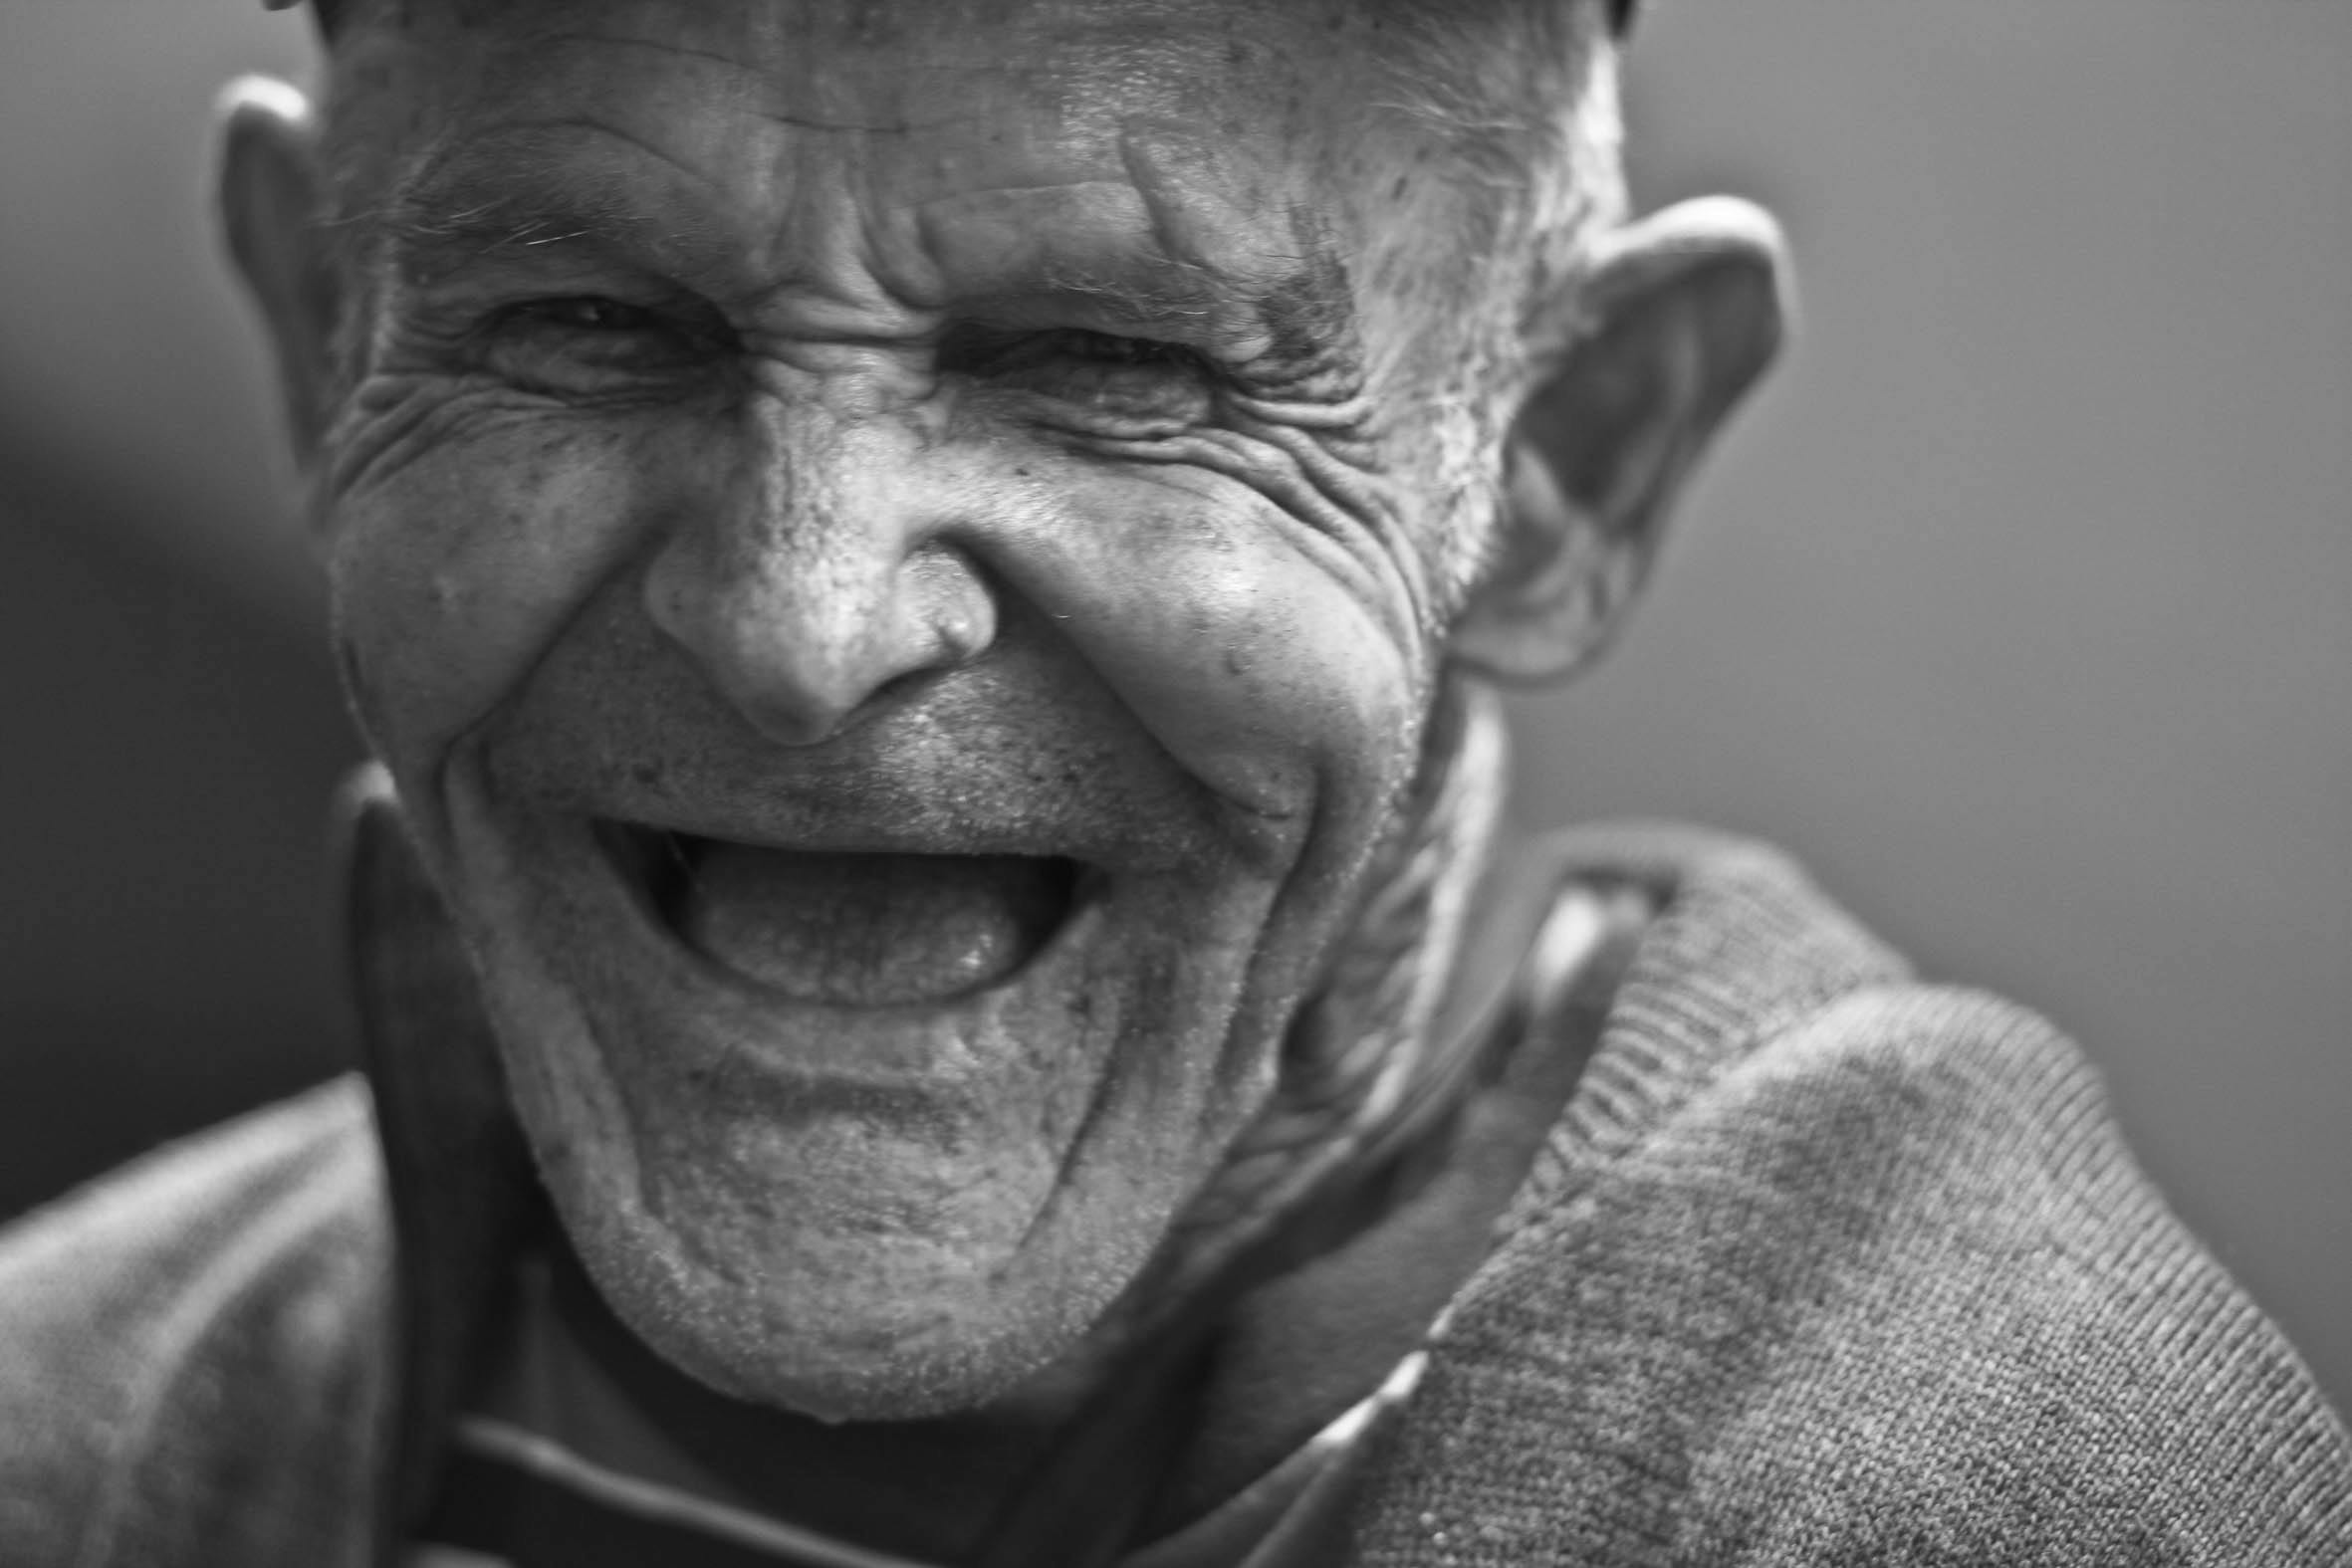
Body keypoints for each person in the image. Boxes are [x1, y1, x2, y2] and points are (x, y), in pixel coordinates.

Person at [3, 0, 2347, 1562]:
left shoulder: (1993, 1492)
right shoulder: (72, 1413)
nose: (802, 623)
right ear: (326, 345)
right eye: (586, 325)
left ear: (1557, 461)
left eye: (1110, 368)